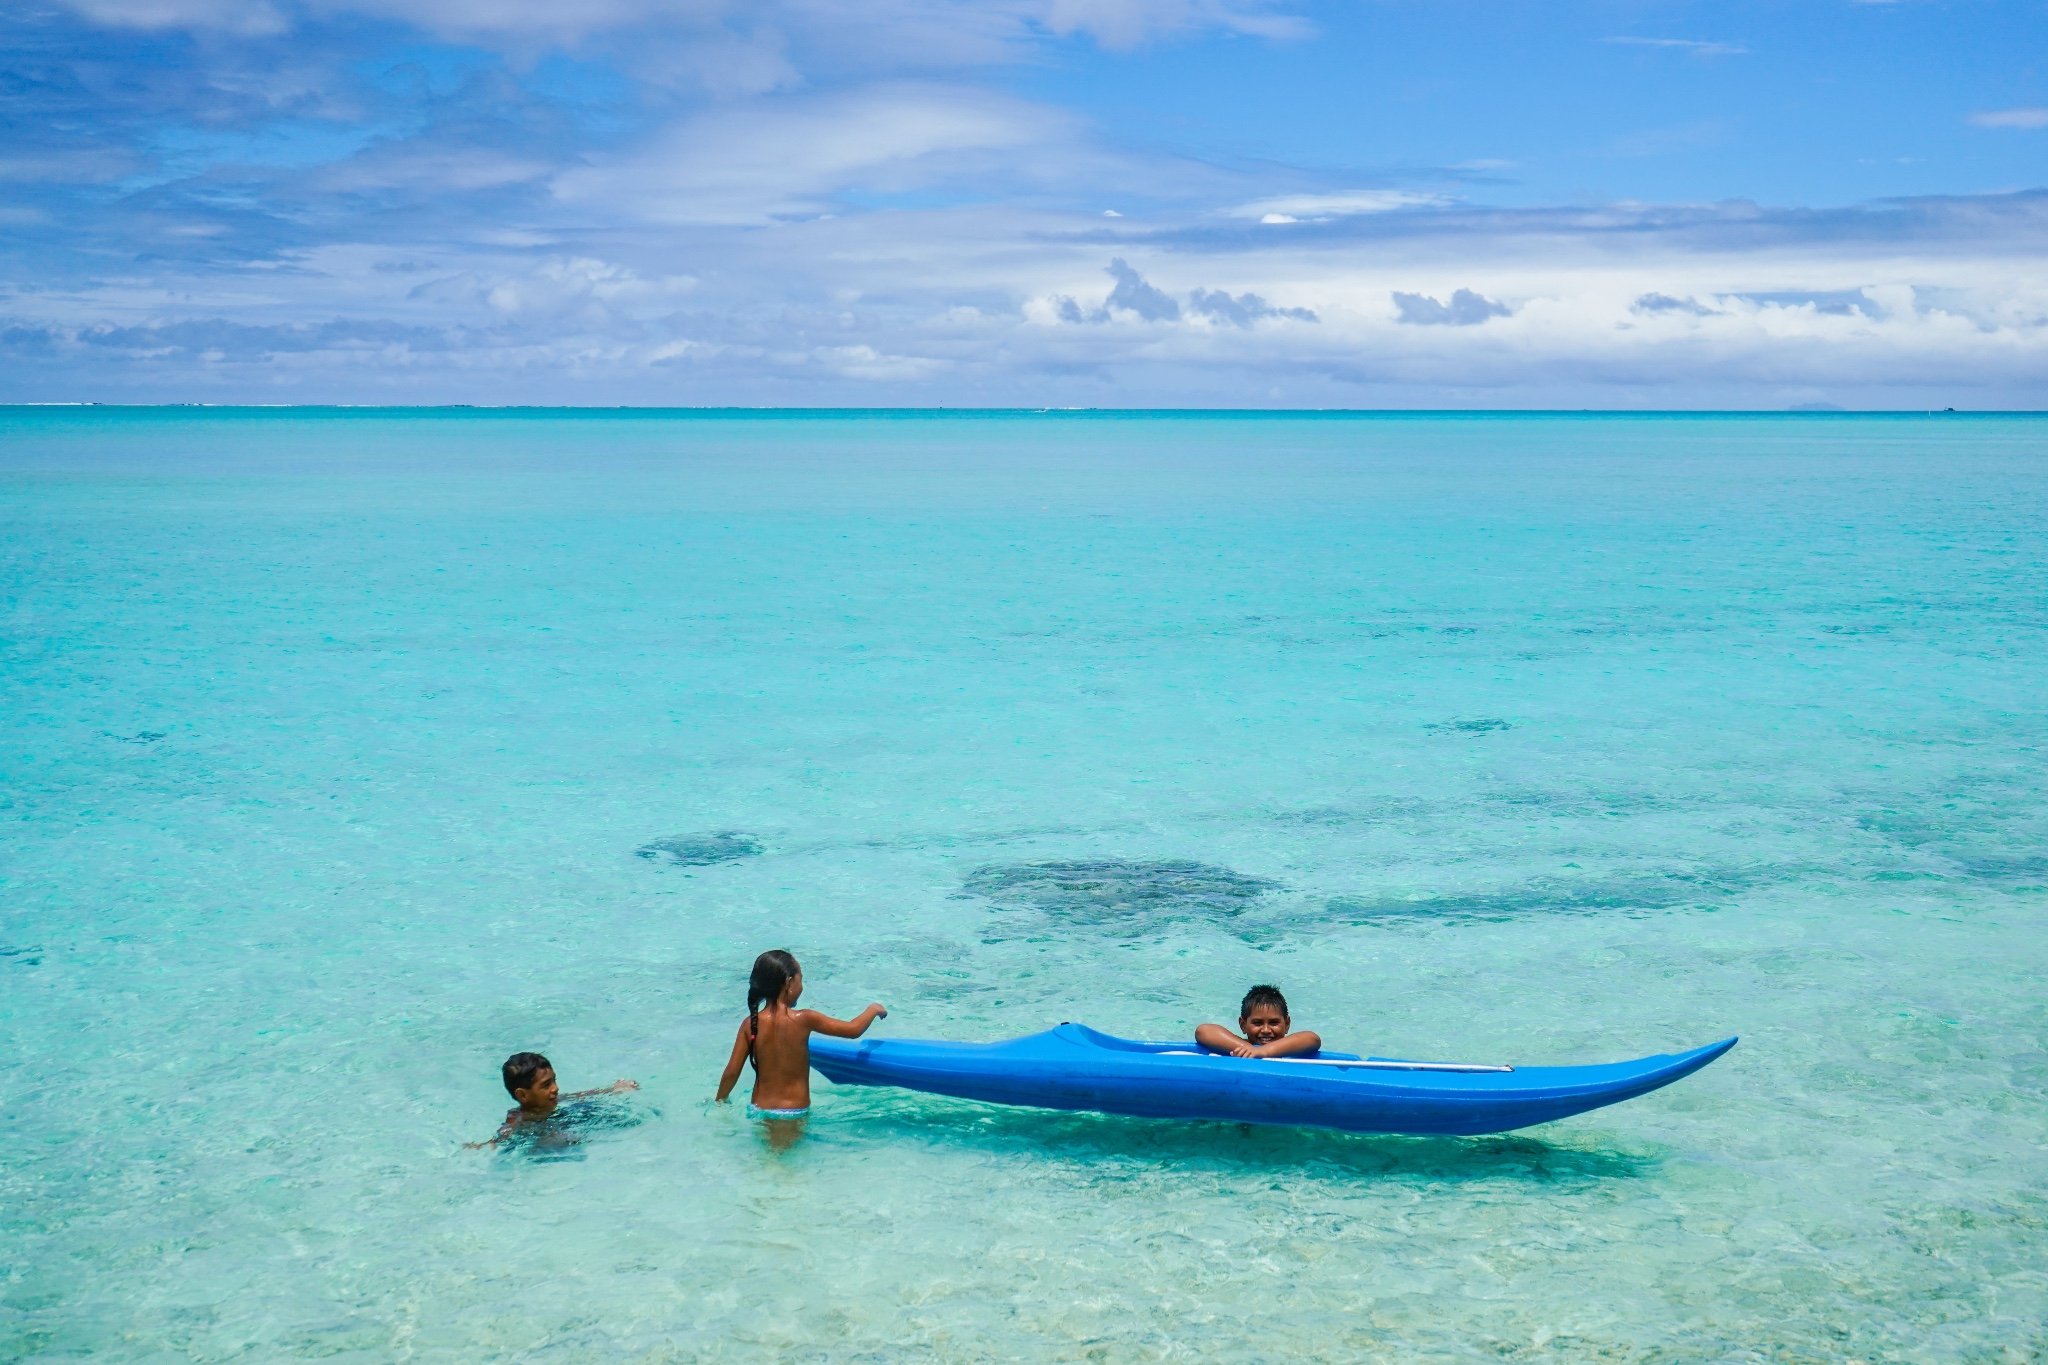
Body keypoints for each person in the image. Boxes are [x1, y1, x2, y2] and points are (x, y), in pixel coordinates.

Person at [715, 949, 887, 1120]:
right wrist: (873, 1009)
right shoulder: (804, 1019)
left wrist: (720, 1100)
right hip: (794, 1112)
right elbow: (853, 1030)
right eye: (801, 979)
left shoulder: (750, 1023)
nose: (802, 986)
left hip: (760, 1109)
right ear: (789, 983)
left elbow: (732, 1072)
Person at [467, 1052, 638, 1148]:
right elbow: (504, 1133)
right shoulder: (517, 1117)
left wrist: (611, 1090)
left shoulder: (555, 1100)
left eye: (554, 1080)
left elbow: (579, 1095)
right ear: (523, 1096)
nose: (555, 1088)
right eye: (546, 1085)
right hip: (540, 1136)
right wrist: (483, 1145)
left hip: (563, 1121)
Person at [1194, 984, 1322, 1059]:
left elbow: (1313, 1039)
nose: (1266, 1030)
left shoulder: (1291, 1048)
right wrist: (1249, 1049)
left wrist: (1262, 1052)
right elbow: (1203, 1031)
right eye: (1257, 1023)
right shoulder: (1241, 1047)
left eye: (1273, 1023)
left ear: (1287, 1024)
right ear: (1243, 1025)